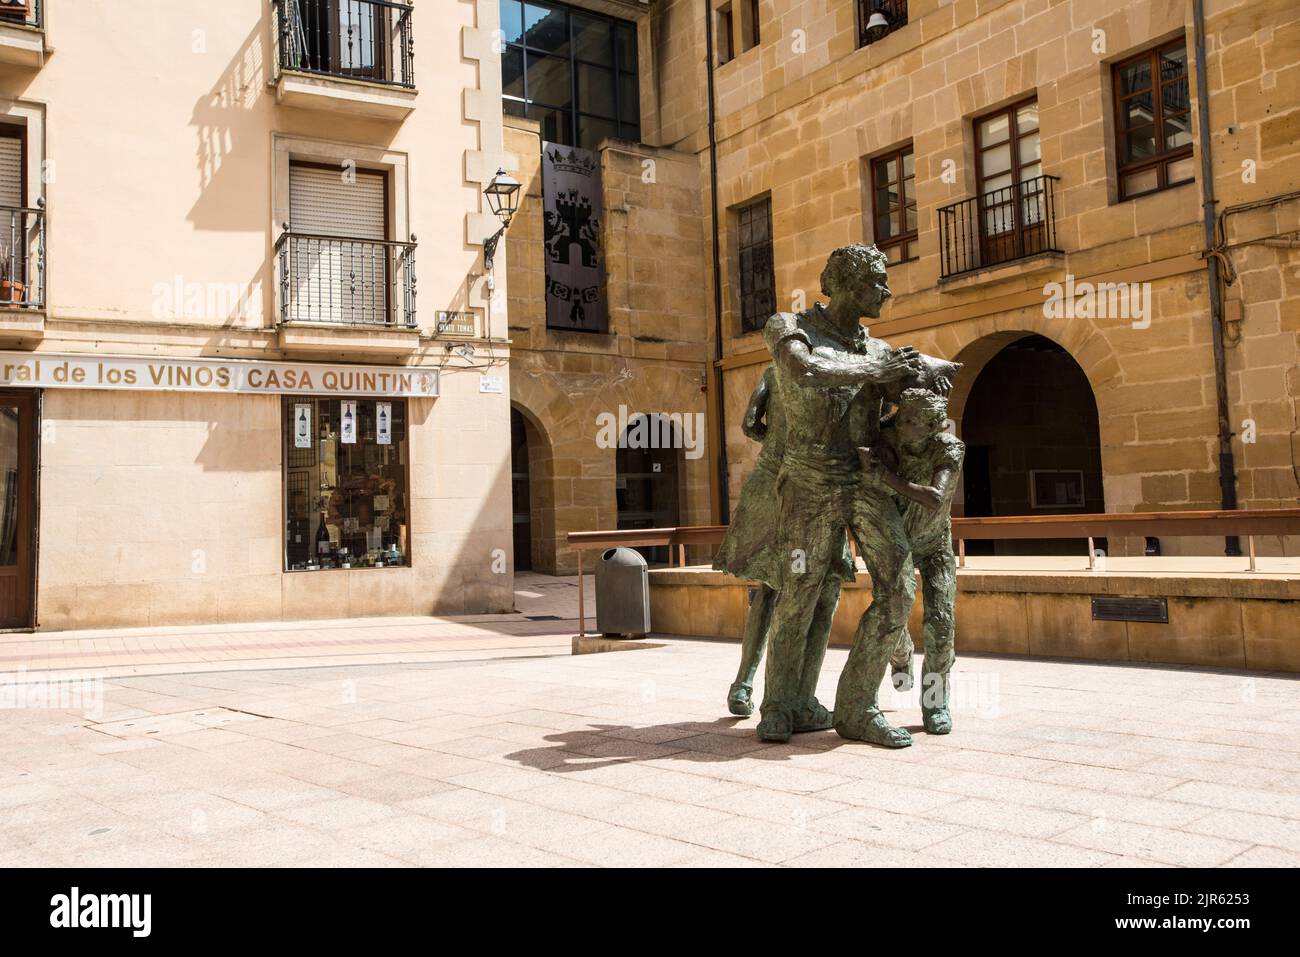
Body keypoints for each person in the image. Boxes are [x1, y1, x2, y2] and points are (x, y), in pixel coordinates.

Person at [758, 244, 927, 744]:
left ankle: (855, 707)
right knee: (799, 591)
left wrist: (923, 381)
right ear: (849, 284)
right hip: (809, 480)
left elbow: (906, 413)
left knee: (898, 587)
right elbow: (802, 371)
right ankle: (780, 705)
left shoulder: (880, 352)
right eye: (878, 283)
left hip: (866, 480)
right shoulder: (789, 326)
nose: (887, 292)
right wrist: (880, 373)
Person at [714, 366, 855, 717]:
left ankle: (743, 684)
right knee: (825, 580)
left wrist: (774, 438)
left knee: (769, 589)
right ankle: (792, 696)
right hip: (807, 489)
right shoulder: (832, 373)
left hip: (766, 484)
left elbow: (749, 424)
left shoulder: (775, 371)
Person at [859, 386, 965, 734]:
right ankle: (900, 655)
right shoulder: (888, 437)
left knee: (941, 624)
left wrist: (886, 477)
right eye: (901, 418)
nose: (901, 425)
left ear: (933, 425)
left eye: (911, 421)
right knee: (894, 613)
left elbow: (935, 498)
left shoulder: (949, 448)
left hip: (935, 544)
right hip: (897, 542)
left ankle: (936, 705)